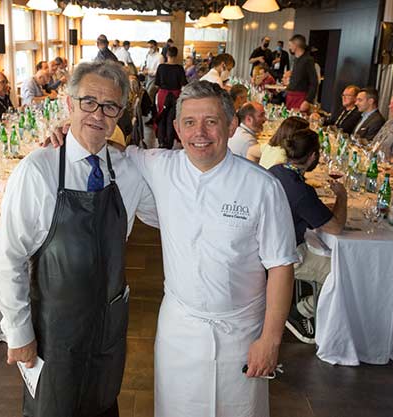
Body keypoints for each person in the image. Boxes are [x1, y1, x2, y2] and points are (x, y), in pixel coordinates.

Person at [0, 60, 158, 417]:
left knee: (103, 403)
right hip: (55, 330)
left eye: (110, 106)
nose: (98, 114)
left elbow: (168, 215)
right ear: (69, 104)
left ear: (119, 115)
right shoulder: (38, 169)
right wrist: (19, 333)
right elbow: (9, 259)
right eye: (88, 102)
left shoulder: (127, 171)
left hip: (108, 325)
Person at [124, 80, 297, 417]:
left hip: (242, 332)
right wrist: (63, 132)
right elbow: (113, 149)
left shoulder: (263, 187)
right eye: (189, 122)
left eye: (211, 121)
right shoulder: (160, 165)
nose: (199, 132)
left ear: (231, 126)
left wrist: (270, 340)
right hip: (180, 329)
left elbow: (281, 266)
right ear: (176, 128)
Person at [269, 129, 347, 344]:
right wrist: (342, 196)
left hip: (268, 245)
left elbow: (298, 207)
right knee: (345, 272)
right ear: (313, 156)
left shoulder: (276, 170)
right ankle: (301, 310)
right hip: (288, 255)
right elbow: (336, 227)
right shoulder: (302, 191)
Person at [284, 34, 318, 112]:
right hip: (291, 96)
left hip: (300, 97)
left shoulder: (308, 60)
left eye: (290, 45)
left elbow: (314, 82)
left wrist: (308, 100)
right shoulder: (296, 59)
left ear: (296, 45)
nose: (289, 47)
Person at [155, 46, 187, 119]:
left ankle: (160, 129)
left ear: (167, 54)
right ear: (176, 55)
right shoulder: (179, 68)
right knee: (174, 116)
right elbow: (184, 83)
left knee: (161, 115)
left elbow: (157, 84)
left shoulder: (161, 67)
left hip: (163, 93)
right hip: (176, 94)